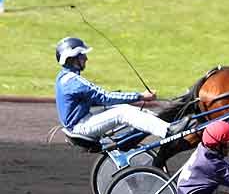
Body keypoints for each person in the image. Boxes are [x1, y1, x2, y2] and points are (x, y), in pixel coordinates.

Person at [54, 36, 188, 139]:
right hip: (80, 127)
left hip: (82, 120)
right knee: (123, 113)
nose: (86, 58)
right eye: (82, 55)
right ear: (72, 58)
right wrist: (140, 96)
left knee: (125, 109)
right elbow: (105, 97)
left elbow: (95, 99)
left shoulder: (65, 77)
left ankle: (166, 123)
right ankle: (168, 131)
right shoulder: (73, 81)